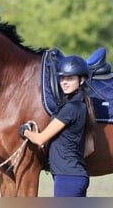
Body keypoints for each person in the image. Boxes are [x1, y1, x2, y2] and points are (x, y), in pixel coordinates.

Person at [19, 55, 96, 197]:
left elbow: (40, 139)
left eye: (70, 78)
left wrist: (24, 131)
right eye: (62, 78)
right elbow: (90, 148)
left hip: (67, 178)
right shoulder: (83, 105)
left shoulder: (70, 108)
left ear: (82, 80)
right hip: (77, 176)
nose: (64, 82)